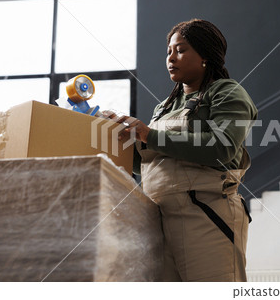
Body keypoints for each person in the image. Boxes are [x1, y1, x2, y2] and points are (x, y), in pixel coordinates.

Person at [106, 19, 257, 282]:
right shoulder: (164, 107)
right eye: (168, 52)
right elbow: (148, 166)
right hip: (159, 218)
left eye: (181, 49)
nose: (171, 58)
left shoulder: (227, 92)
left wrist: (149, 135)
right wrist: (114, 140)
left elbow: (221, 147)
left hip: (205, 214)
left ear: (205, 56)